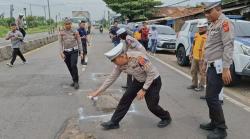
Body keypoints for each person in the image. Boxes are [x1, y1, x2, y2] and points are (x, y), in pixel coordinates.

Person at [88, 43, 172, 130]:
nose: (114, 63)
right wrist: (98, 92)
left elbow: (151, 74)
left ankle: (166, 117)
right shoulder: (119, 65)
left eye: (114, 60)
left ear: (122, 56)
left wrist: (143, 90)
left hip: (153, 81)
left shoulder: (139, 58)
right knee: (125, 98)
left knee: (152, 106)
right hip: (138, 81)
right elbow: (111, 78)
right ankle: (114, 122)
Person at [200, 1, 234, 139]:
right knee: (210, 96)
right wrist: (205, 62)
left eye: (209, 12)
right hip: (212, 65)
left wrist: (226, 68)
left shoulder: (225, 23)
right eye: (205, 13)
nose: (207, 15)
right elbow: (211, 46)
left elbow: (228, 45)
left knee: (211, 97)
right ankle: (214, 122)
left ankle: (221, 128)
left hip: (220, 67)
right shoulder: (213, 24)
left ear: (218, 9)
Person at [59, 18, 84, 90]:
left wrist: (81, 52)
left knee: (73, 65)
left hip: (74, 51)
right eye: (66, 24)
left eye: (69, 24)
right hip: (66, 52)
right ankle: (74, 79)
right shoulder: (62, 32)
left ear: (71, 24)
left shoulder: (75, 31)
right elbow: (60, 43)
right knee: (69, 67)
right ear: (64, 24)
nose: (68, 25)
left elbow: (79, 42)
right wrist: (61, 52)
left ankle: (76, 82)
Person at [187, 21, 208, 92]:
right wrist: (191, 53)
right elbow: (193, 45)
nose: (200, 29)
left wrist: (205, 58)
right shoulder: (196, 35)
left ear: (205, 27)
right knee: (193, 70)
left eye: (202, 27)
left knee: (202, 72)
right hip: (195, 56)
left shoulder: (207, 36)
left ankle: (201, 85)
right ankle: (194, 84)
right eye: (199, 28)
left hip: (202, 58)